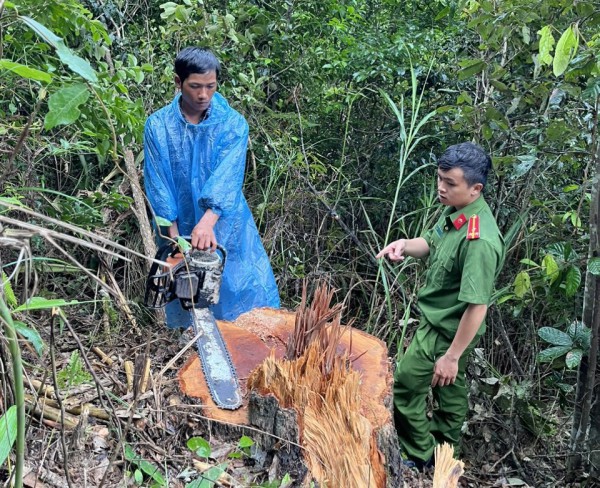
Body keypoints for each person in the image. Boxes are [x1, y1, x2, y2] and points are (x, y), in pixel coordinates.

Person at [376, 142, 505, 470]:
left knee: (406, 384)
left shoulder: (480, 241)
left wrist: (451, 356)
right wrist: (404, 245)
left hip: (449, 329)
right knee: (449, 396)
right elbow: (432, 244)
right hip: (439, 322)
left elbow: (477, 307)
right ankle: (441, 455)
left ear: (476, 189)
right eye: (440, 179)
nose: (441, 188)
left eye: (450, 183)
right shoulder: (458, 212)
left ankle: (421, 456)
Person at [144, 47, 280, 325]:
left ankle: (250, 343)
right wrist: (175, 240)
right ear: (178, 82)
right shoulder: (158, 126)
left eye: (210, 86)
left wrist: (207, 222)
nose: (203, 95)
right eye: (195, 86)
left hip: (225, 221)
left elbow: (227, 178)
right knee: (186, 287)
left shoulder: (233, 125)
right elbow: (158, 183)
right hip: (177, 221)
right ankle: (194, 347)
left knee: (239, 283)